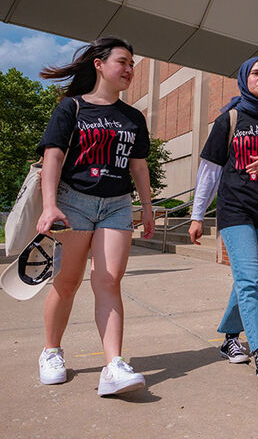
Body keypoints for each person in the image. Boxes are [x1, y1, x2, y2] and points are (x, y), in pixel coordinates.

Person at [35, 37, 155, 396]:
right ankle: (51, 351)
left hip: (117, 204)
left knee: (108, 281)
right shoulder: (71, 108)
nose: (129, 69)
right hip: (74, 202)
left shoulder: (134, 118)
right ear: (99, 65)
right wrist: (49, 204)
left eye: (132, 64)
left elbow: (138, 165)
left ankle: (113, 366)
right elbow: (53, 157)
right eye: (123, 62)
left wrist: (146, 206)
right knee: (68, 281)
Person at [188, 57, 258, 382]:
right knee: (252, 278)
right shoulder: (229, 119)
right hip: (234, 209)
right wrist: (197, 215)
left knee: (247, 280)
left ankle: (228, 339)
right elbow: (209, 172)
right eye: (256, 73)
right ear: (244, 79)